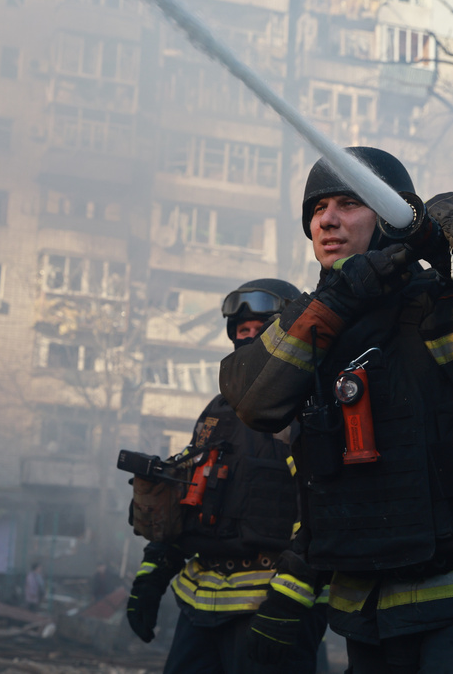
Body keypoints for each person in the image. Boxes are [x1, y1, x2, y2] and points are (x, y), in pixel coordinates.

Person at [219, 147, 453, 673]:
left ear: (390, 218)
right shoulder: (314, 324)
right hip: (367, 612)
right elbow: (253, 400)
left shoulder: (446, 309)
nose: (328, 219)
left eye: (349, 203)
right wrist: (338, 302)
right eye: (317, 209)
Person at [126, 279, 328, 674]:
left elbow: (324, 516)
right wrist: (151, 577)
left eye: (260, 331)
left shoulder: (309, 409)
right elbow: (194, 495)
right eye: (242, 332)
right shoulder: (218, 412)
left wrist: (287, 604)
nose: (249, 341)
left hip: (272, 609)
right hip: (199, 607)